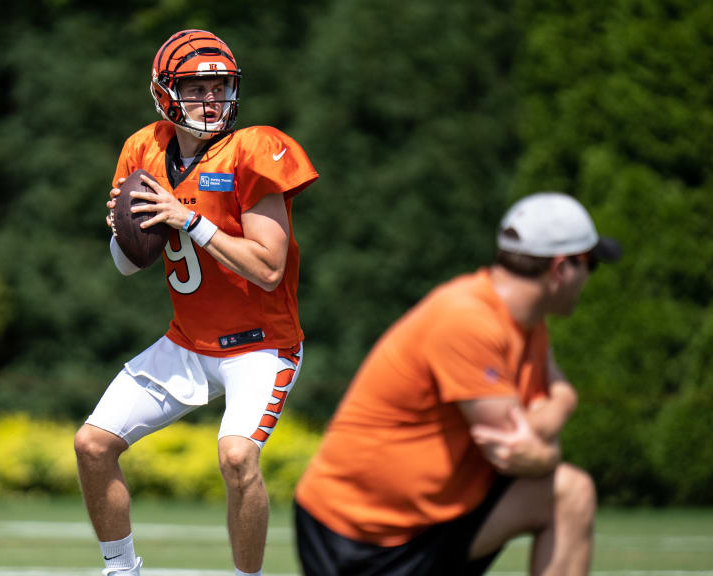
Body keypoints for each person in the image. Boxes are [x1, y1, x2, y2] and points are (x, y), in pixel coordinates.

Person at [73, 29, 318, 576]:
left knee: (236, 456)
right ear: (164, 91)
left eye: (222, 85)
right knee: (92, 445)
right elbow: (128, 265)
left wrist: (190, 219)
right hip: (187, 340)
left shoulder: (253, 148)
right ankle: (121, 571)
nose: (212, 99)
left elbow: (269, 266)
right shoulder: (144, 149)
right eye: (196, 86)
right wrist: (123, 231)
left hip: (262, 346)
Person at [293, 192, 621, 576]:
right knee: (560, 481)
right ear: (562, 268)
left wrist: (544, 441)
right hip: (355, 535)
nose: (589, 278)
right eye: (591, 265)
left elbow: (528, 443)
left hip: (432, 525)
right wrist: (565, 400)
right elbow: (514, 447)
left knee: (571, 492)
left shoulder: (530, 325)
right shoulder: (467, 319)